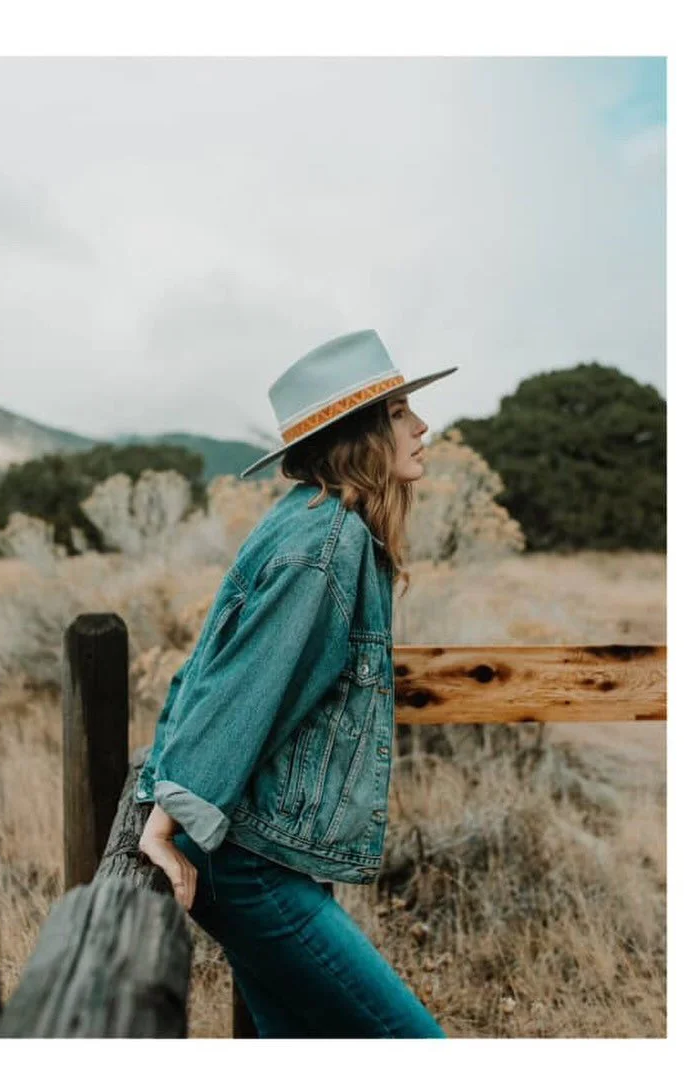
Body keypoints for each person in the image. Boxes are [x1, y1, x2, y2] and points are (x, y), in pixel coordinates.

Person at [136, 329, 457, 1038]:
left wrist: (163, 796)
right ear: (363, 431)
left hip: (254, 858)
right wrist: (162, 821)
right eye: (401, 411)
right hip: (250, 868)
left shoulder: (310, 519)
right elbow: (238, 689)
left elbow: (206, 667)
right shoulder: (324, 546)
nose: (422, 425)